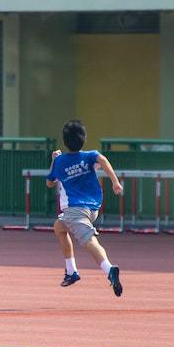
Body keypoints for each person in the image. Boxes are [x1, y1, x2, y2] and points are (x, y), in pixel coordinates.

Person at [46, 120, 124, 297]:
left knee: (89, 240)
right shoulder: (89, 156)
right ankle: (71, 271)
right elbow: (102, 160)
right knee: (59, 227)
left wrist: (54, 161)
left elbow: (50, 183)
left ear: (65, 142)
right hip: (93, 208)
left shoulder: (60, 161)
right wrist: (115, 181)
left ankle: (109, 269)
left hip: (75, 209)